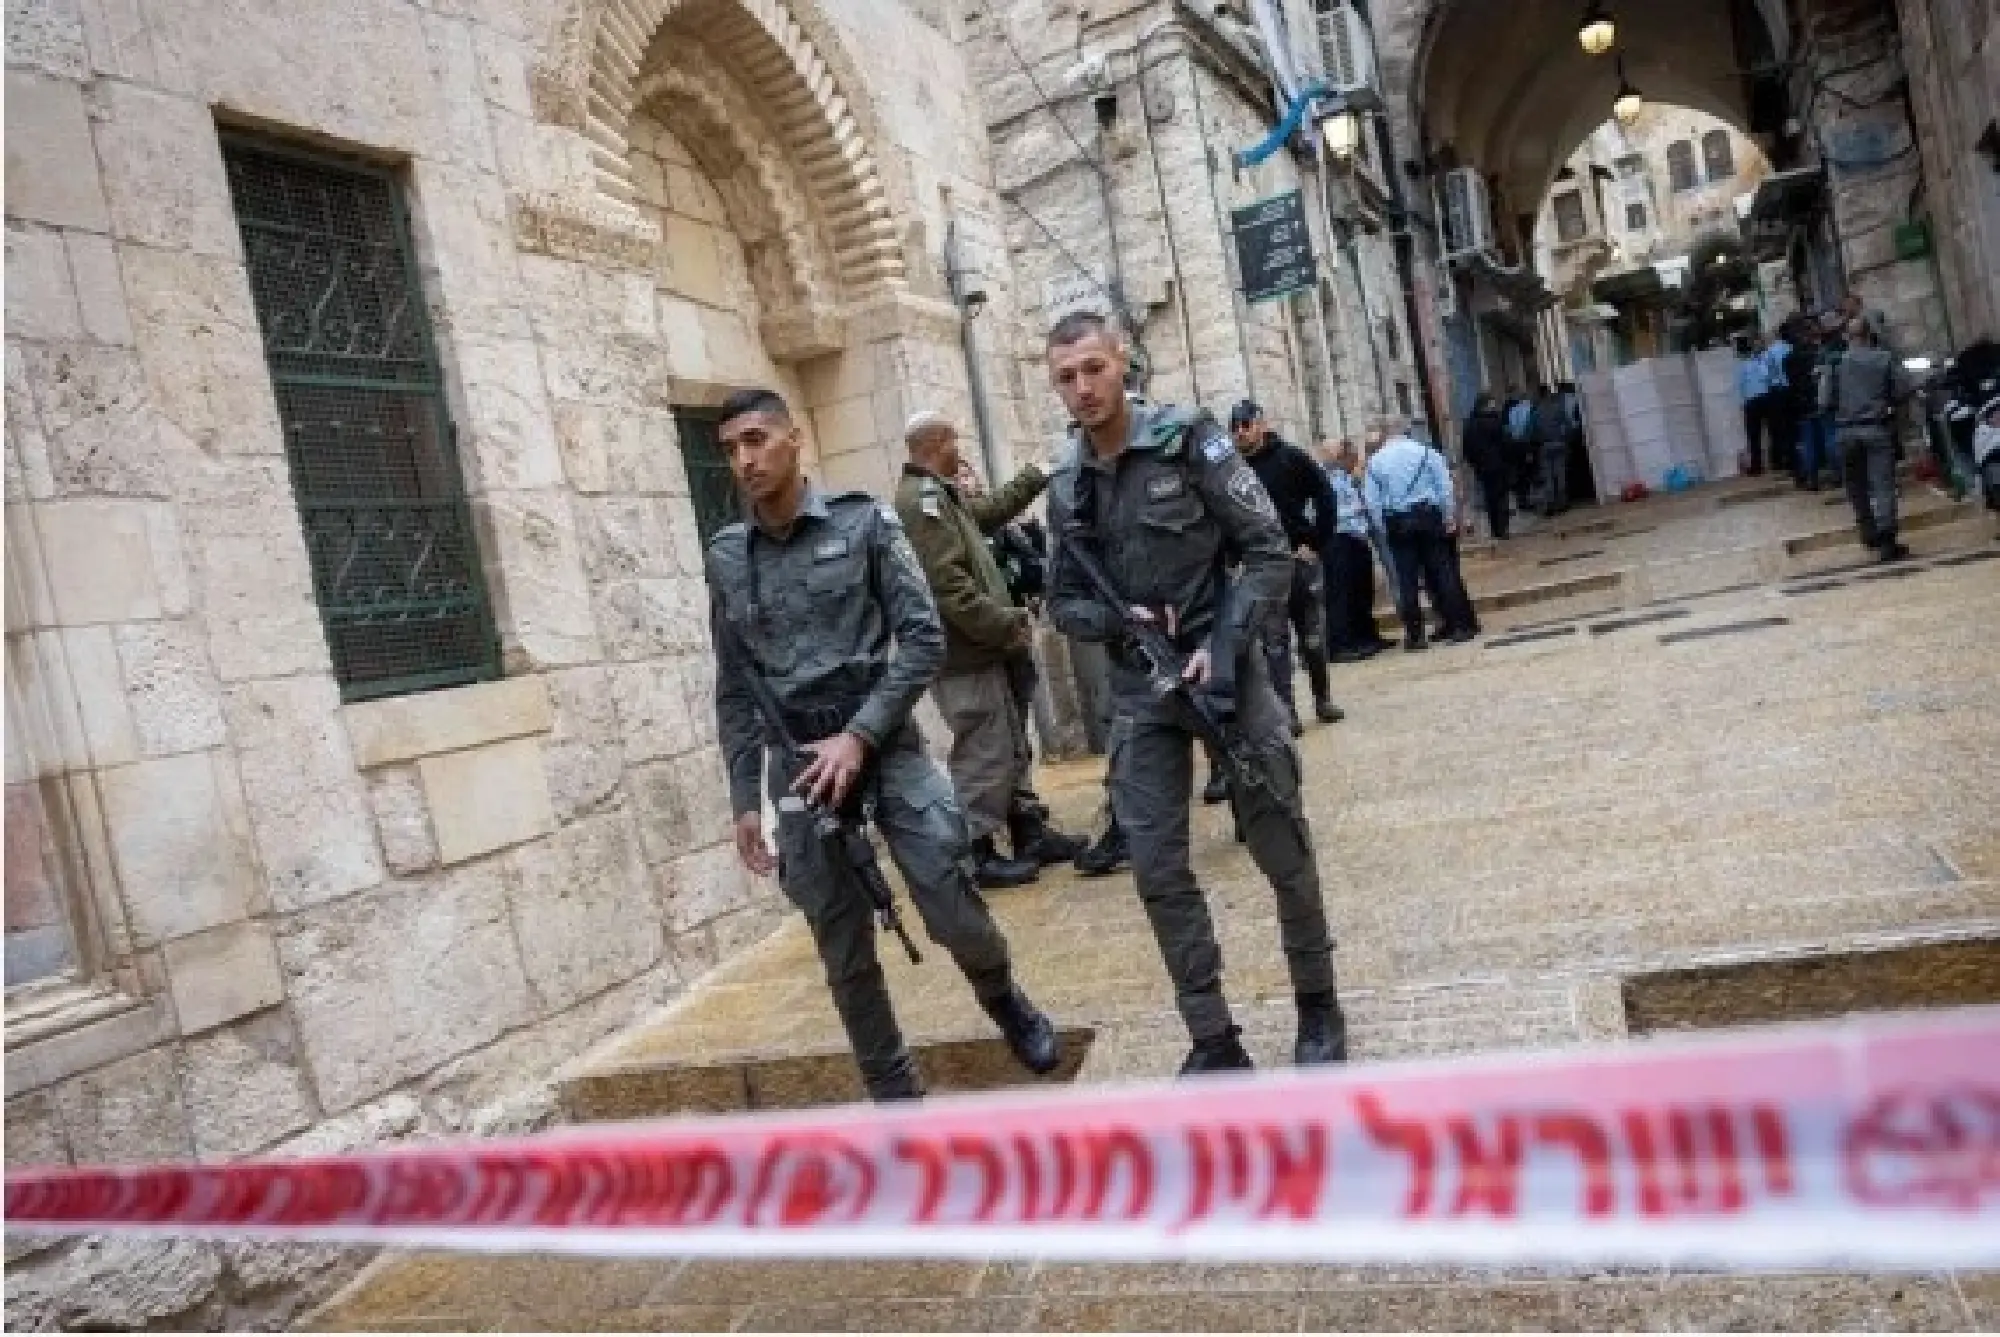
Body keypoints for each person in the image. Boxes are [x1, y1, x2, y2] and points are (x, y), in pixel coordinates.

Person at [705, 388, 1060, 1102]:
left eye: (755, 440)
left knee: (950, 899)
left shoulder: (865, 522)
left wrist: (860, 735)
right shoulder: (726, 555)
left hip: (885, 742)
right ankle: (894, 1094)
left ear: (794, 437)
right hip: (799, 765)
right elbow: (734, 683)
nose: (744, 460)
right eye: (730, 449)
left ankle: (1005, 1000)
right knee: (841, 944)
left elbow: (924, 636)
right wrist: (746, 797)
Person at [1041, 311, 1348, 1074]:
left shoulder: (1190, 439)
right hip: (1144, 692)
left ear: (1122, 362)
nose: (1082, 388)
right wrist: (1118, 619)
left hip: (1228, 671)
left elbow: (1268, 548)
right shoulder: (1068, 485)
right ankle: (1214, 1038)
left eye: (1093, 368)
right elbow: (1062, 601)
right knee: (1156, 865)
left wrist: (1224, 644)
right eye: (1066, 377)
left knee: (1279, 838)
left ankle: (1318, 1004)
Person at [898, 414, 1086, 887]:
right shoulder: (922, 503)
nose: (958, 448)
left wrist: (1037, 473)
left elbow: (990, 510)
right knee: (982, 752)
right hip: (965, 656)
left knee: (1008, 746)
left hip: (985, 650)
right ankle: (976, 854)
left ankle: (1029, 832)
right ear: (937, 442)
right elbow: (950, 589)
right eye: (953, 439)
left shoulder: (941, 494)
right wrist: (1007, 623)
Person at [1227, 401, 1344, 733]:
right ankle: (1287, 712)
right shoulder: (1232, 470)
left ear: (1261, 425)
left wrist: (1318, 541)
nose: (1240, 433)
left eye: (1245, 425)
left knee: (1312, 637)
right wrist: (1233, 559)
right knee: (1274, 644)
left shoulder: (1290, 458)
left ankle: (1322, 697)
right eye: (1235, 427)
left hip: (1298, 560)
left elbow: (1324, 494)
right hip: (1261, 568)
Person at [1364, 415, 1480, 650]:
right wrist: (1448, 517)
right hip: (1428, 516)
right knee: (1442, 571)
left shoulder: (1375, 462)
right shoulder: (1427, 453)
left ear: (1386, 433)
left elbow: (1372, 502)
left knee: (1406, 579)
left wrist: (1382, 527)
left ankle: (1415, 635)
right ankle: (1459, 625)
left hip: (1396, 521)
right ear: (1407, 431)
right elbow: (1444, 487)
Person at [1827, 319, 1915, 562]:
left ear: (1847, 336)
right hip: (1875, 427)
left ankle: (1868, 533)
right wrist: (1886, 405)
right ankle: (1887, 539)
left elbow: (1824, 400)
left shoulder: (1836, 363)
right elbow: (1904, 388)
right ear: (1869, 335)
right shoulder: (1884, 359)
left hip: (1845, 430)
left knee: (1856, 487)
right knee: (1882, 484)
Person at [1316, 439, 1394, 661]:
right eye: (1351, 456)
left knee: (1362, 590)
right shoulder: (1323, 477)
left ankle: (1366, 636)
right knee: (1341, 593)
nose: (1356, 461)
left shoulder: (1346, 476)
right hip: (1338, 537)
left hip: (1356, 536)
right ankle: (1342, 644)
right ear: (1340, 457)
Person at [1461, 392, 1512, 540]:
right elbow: (1505, 443)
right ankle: (1502, 529)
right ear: (1487, 405)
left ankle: (1495, 529)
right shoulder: (1495, 421)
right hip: (1498, 465)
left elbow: (1467, 448)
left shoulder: (1469, 424)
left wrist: (1475, 464)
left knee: (1490, 498)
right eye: (1492, 403)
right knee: (1501, 497)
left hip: (1482, 468)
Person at [1531, 383, 1572, 515]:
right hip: (1559, 444)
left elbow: (1532, 431)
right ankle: (1563, 503)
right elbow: (1567, 425)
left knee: (1548, 476)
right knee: (1560, 473)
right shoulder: (1558, 408)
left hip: (1545, 446)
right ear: (1548, 394)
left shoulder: (1536, 412)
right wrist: (1565, 438)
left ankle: (1551, 504)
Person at [1738, 333, 1776, 476]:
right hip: (1752, 400)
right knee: (1754, 435)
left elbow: (1769, 377)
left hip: (1765, 397)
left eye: (1760, 344)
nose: (1758, 347)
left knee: (1772, 430)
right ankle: (1757, 465)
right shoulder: (1744, 363)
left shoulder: (1767, 360)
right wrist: (1742, 402)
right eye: (1755, 345)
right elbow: (1740, 384)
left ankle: (1775, 461)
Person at [1764, 323, 1799, 476]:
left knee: (1780, 428)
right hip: (1791, 389)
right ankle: (1797, 460)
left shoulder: (1770, 352)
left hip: (1777, 391)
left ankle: (1788, 462)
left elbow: (1766, 375)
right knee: (1794, 426)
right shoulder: (1791, 349)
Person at [1504, 387, 1536, 510]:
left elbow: (1509, 429)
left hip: (1515, 445)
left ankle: (1522, 500)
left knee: (1520, 474)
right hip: (1528, 444)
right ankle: (1531, 498)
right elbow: (1531, 427)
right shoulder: (1530, 409)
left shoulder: (1511, 411)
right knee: (1530, 472)